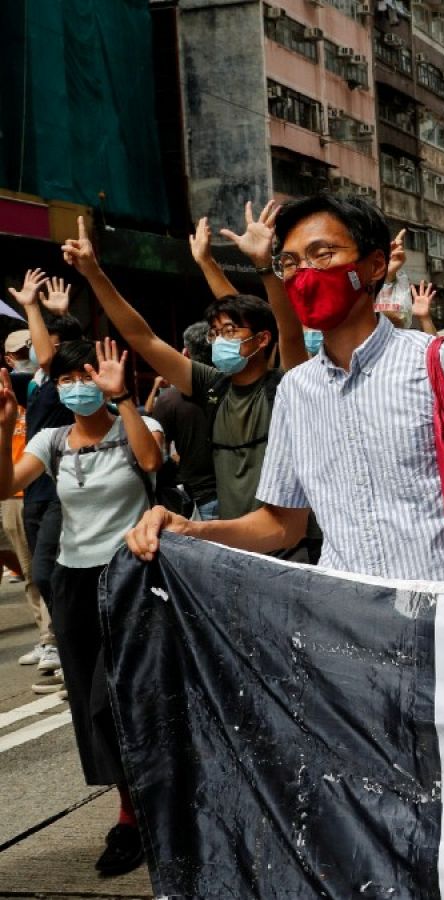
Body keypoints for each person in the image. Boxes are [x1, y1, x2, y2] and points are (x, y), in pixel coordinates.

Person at [126, 193, 444, 581]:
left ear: (375, 266)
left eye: (323, 255)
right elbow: (281, 524)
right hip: (345, 618)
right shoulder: (296, 390)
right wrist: (192, 529)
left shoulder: (439, 362)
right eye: (290, 262)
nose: (304, 274)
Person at [0, 338, 164, 877]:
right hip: (73, 582)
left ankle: (139, 809)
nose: (76, 387)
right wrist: (6, 426)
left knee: (112, 699)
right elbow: (7, 485)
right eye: (66, 379)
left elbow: (150, 460)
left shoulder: (133, 425)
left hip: (129, 577)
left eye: (85, 376)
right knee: (88, 708)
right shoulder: (50, 440)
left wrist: (125, 401)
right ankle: (132, 806)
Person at [68, 209, 307, 527]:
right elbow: (143, 338)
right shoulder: (214, 385)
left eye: (229, 332)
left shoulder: (286, 385)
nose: (219, 340)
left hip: (294, 543)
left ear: (263, 340)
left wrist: (265, 266)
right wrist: (94, 274)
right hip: (235, 538)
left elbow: (286, 329)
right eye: (215, 333)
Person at [6, 271, 77, 697]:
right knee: (43, 574)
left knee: (52, 574)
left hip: (58, 492)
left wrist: (33, 306)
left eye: (38, 339)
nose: (33, 348)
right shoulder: (31, 383)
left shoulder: (66, 377)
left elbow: (54, 356)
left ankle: (73, 651)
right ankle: (68, 650)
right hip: (33, 492)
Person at [145, 322, 219, 519]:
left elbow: (158, 455)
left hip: (200, 496)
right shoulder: (238, 389)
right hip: (244, 492)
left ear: (185, 354)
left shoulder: (169, 399)